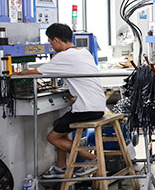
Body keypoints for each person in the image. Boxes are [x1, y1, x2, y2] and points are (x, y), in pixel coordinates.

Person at [18, 23, 106, 178]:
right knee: (57, 124)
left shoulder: (64, 57)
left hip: (86, 109)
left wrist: (12, 75)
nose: (51, 46)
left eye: (50, 42)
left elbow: (35, 72)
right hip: (97, 105)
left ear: (57, 40)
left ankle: (92, 160)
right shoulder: (83, 52)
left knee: (52, 137)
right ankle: (60, 166)